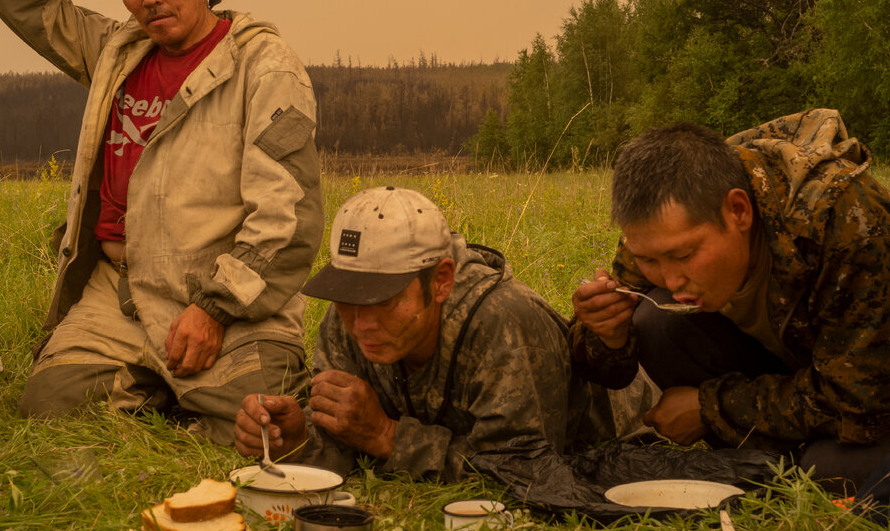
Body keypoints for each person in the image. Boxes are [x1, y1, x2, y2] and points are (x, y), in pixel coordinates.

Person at [0, 0, 322, 444]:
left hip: (225, 299)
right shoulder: (115, 52)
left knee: (261, 425)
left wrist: (214, 311)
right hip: (116, 292)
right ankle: (158, 385)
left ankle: (167, 389)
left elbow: (287, 219)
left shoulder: (263, 65)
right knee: (49, 407)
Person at [570, 110, 890, 490]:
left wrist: (711, 408)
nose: (670, 280)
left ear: (738, 211)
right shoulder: (659, 232)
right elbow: (606, 373)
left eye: (684, 256)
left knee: (829, 471)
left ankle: (779, 457)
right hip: (792, 373)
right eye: (648, 260)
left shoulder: (846, 222)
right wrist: (605, 333)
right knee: (654, 322)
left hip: (871, 395)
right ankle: (764, 452)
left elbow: (859, 401)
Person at [235, 186, 617, 482]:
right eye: (348, 296)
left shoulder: (504, 326)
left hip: (626, 436)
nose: (361, 323)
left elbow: (521, 469)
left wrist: (388, 437)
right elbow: (347, 441)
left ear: (440, 282)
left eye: (383, 300)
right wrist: (298, 438)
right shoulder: (344, 320)